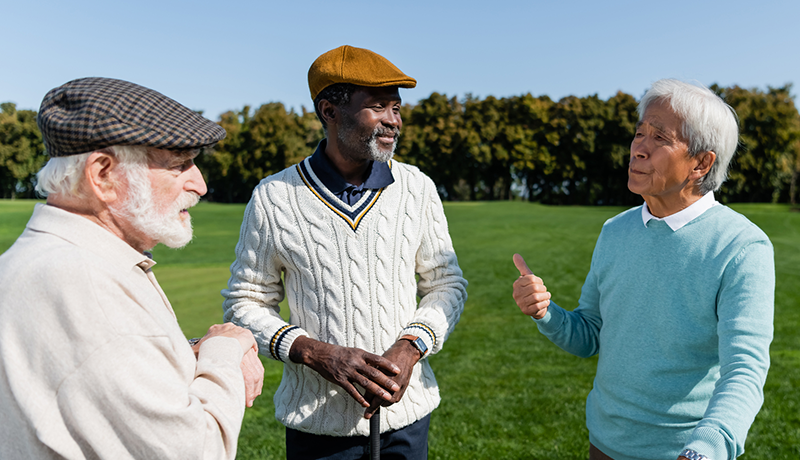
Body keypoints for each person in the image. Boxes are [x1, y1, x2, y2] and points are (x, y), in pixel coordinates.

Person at [222, 45, 468, 459]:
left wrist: (411, 348)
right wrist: (315, 353)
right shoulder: (274, 196)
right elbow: (243, 303)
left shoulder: (417, 188)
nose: (393, 120)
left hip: (407, 423)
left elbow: (447, 285)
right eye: (377, 107)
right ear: (329, 111)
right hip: (317, 430)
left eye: (396, 108)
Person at [0, 77, 264, 460]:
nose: (201, 185)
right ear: (103, 174)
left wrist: (190, 354)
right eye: (180, 164)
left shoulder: (44, 260)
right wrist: (226, 347)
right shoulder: (85, 285)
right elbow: (198, 451)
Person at [512, 79, 774, 460]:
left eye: (660, 137)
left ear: (701, 163)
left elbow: (744, 371)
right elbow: (590, 335)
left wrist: (705, 449)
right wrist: (545, 312)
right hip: (603, 443)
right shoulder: (614, 231)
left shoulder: (742, 247)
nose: (638, 148)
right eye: (639, 133)